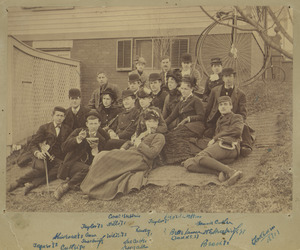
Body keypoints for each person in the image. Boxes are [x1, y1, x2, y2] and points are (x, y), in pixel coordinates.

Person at [80, 109, 166, 200]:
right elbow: (130, 142)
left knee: (107, 158)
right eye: (149, 121)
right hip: (130, 154)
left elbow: (153, 154)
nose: (151, 124)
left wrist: (139, 144)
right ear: (145, 123)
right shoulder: (143, 134)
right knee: (101, 155)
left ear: (157, 124)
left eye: (154, 122)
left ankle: (93, 191)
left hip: (141, 159)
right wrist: (122, 149)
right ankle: (92, 188)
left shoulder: (159, 137)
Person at [8, 107, 72, 195]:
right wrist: (37, 153)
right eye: (57, 115)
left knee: (60, 168)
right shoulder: (44, 128)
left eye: (62, 116)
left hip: (55, 158)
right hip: (41, 155)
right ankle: (18, 182)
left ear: (64, 117)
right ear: (52, 116)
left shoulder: (67, 129)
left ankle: (32, 184)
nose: (59, 118)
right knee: (42, 169)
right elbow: (32, 144)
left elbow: (67, 146)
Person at [182, 96, 243, 185]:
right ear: (218, 108)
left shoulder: (236, 117)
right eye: (220, 105)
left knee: (201, 157)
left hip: (229, 145)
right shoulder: (219, 120)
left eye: (225, 104)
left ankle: (232, 172)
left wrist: (215, 138)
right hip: (220, 147)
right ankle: (220, 172)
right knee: (189, 163)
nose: (223, 107)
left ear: (231, 106)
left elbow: (237, 131)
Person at [53, 111, 108, 200]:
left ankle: (80, 185)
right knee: (88, 169)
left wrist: (95, 150)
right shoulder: (78, 131)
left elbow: (101, 157)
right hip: (72, 164)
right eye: (91, 124)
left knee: (97, 171)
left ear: (99, 124)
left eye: (95, 124)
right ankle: (66, 186)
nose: (93, 126)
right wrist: (78, 139)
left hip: (90, 166)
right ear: (86, 124)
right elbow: (64, 147)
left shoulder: (101, 138)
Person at [205, 68, 254, 156]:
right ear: (222, 78)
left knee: (244, 127)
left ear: (234, 77)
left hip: (232, 120)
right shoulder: (215, 91)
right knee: (207, 134)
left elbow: (243, 113)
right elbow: (209, 108)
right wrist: (206, 120)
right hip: (216, 120)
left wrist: (237, 121)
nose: (228, 79)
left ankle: (246, 145)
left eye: (230, 76)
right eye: (226, 76)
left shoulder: (240, 94)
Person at [163, 76, 205, 164]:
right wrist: (161, 124)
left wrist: (189, 118)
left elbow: (201, 116)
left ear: (192, 89)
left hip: (196, 126)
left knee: (175, 135)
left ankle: (186, 157)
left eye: (185, 89)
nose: (183, 91)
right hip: (185, 126)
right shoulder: (181, 102)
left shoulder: (196, 100)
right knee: (169, 135)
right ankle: (178, 157)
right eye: (182, 88)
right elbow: (171, 117)